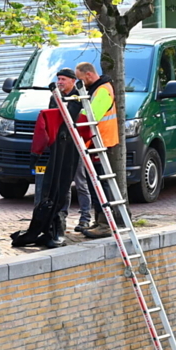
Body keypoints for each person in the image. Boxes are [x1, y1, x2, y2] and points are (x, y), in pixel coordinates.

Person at [33, 68, 91, 235]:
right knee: (61, 182)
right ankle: (61, 216)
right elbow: (52, 119)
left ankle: (85, 217)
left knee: (80, 182)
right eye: (58, 79)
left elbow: (73, 118)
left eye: (63, 79)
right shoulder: (55, 96)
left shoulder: (79, 96)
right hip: (59, 144)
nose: (59, 82)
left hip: (75, 144)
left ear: (73, 81)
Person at [75, 62, 121, 239]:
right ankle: (100, 220)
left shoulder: (102, 91)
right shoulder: (97, 89)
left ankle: (104, 224)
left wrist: (76, 130)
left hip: (100, 142)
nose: (80, 83)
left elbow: (91, 116)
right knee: (95, 183)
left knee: (100, 184)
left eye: (80, 79)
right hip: (97, 142)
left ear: (88, 75)